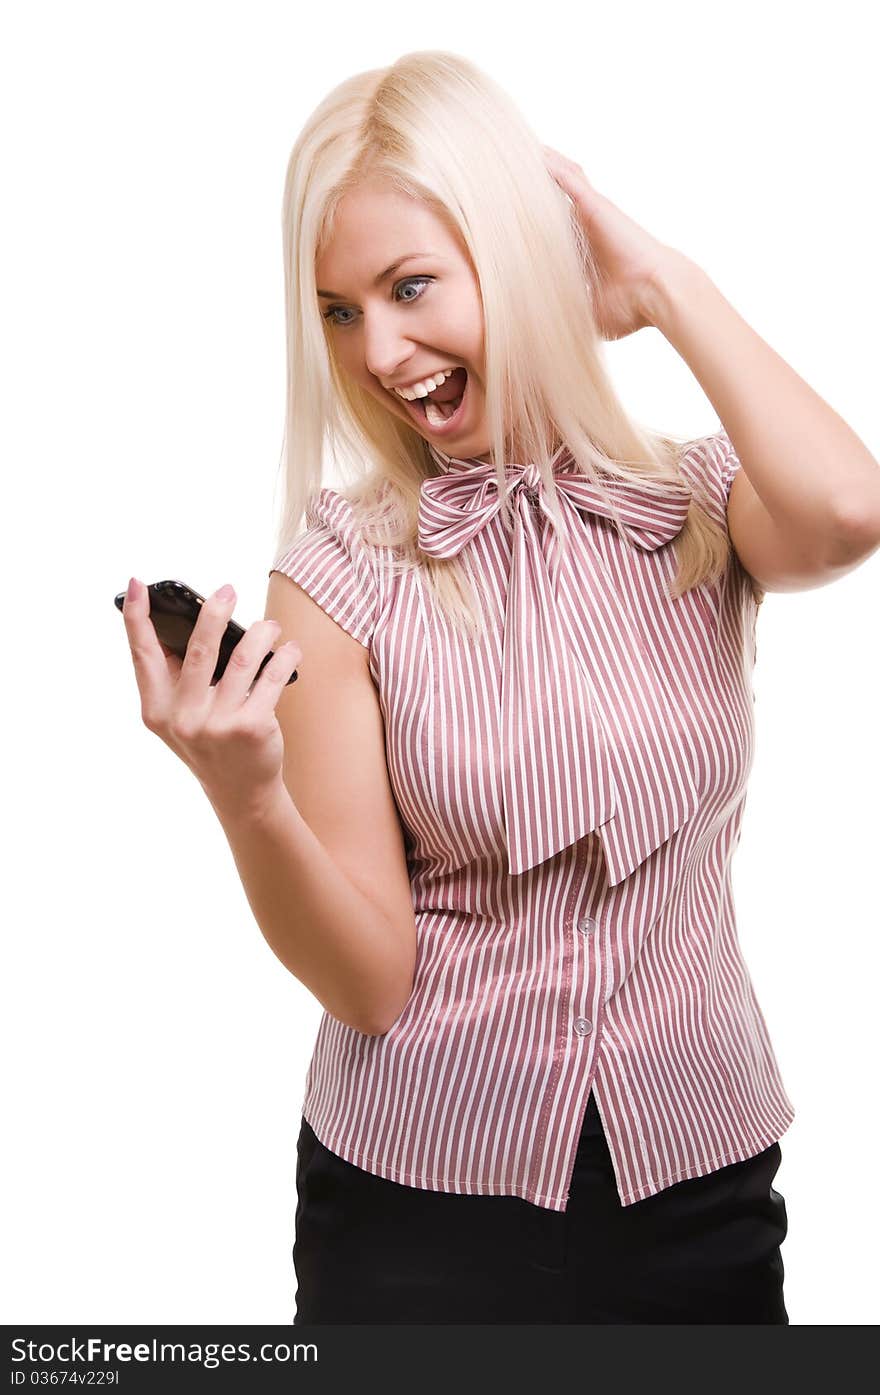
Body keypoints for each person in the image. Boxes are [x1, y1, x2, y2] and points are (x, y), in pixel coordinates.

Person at [121, 51, 880, 1324]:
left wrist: (662, 284)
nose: (380, 350)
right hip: (421, 1203)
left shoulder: (695, 506)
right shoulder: (337, 572)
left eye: (411, 287)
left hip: (701, 1181)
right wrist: (250, 800)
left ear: (516, 259)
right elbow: (367, 981)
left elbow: (851, 512)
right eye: (341, 311)